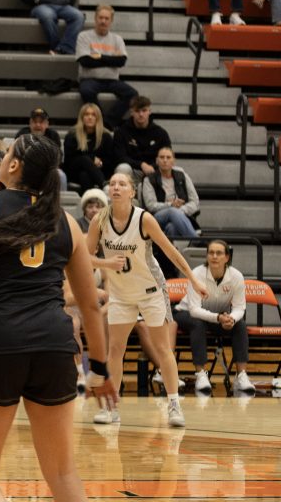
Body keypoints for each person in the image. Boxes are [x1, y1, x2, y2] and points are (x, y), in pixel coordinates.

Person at [0, 134, 116, 502]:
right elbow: (90, 305)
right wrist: (99, 368)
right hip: (56, 345)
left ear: (13, 165)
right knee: (63, 473)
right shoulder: (66, 221)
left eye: (7, 154)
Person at [88, 171, 207, 427]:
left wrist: (194, 280)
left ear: (132, 192)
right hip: (121, 294)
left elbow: (171, 252)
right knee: (115, 350)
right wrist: (106, 263)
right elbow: (84, 257)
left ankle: (174, 405)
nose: (116, 187)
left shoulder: (144, 219)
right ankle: (111, 408)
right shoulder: (99, 220)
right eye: (112, 183)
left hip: (151, 291)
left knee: (163, 348)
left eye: (122, 184)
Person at [172, 240, 255, 394]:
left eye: (219, 253)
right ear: (207, 256)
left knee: (240, 325)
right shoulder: (197, 273)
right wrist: (218, 318)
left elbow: (239, 307)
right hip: (185, 313)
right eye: (211, 253)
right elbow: (194, 310)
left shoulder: (236, 276)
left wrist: (231, 319)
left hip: (217, 317)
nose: (214, 256)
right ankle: (201, 375)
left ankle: (241, 376)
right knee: (197, 323)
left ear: (227, 257)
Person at [76, 4, 137, 123]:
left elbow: (121, 61)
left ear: (111, 21)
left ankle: (107, 122)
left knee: (132, 94)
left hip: (112, 80)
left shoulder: (117, 39)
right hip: (89, 79)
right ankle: (101, 121)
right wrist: (111, 59)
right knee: (86, 91)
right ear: (95, 18)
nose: (103, 21)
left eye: (106, 18)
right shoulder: (84, 36)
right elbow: (85, 61)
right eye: (100, 18)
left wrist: (98, 56)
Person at [141, 147, 200, 241]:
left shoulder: (182, 176)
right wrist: (170, 205)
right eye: (162, 157)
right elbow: (151, 205)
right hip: (156, 218)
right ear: (157, 161)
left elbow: (195, 202)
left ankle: (172, 250)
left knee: (172, 227)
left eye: (168, 157)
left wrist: (180, 211)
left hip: (181, 215)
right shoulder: (149, 179)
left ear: (173, 161)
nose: (165, 160)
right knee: (172, 211)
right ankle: (197, 242)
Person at [63, 104, 119, 191]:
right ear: (82, 117)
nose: (90, 117)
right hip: (74, 172)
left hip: (100, 171)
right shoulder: (72, 135)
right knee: (84, 160)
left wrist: (100, 163)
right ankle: (104, 185)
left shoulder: (106, 136)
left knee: (85, 175)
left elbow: (111, 161)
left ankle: (90, 199)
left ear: (98, 118)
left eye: (93, 115)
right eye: (86, 114)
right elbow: (69, 161)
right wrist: (92, 159)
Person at [113, 96, 170, 180]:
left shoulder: (160, 133)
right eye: (137, 111)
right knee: (123, 168)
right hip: (132, 171)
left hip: (154, 171)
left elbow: (168, 155)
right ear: (131, 112)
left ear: (149, 111)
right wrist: (141, 165)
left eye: (144, 110)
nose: (141, 114)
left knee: (178, 170)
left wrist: (153, 166)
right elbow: (120, 157)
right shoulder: (121, 132)